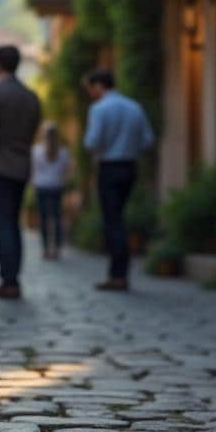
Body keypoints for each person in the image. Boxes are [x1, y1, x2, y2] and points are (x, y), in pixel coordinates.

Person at [0, 45, 42, 299]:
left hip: (0, 165)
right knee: (14, 222)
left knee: (2, 223)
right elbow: (34, 126)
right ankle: (14, 278)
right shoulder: (30, 96)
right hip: (22, 165)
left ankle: (8, 279)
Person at [82, 69, 155, 291]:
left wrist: (106, 148)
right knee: (119, 218)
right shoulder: (134, 107)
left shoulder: (99, 109)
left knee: (112, 220)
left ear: (98, 86)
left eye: (90, 89)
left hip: (109, 167)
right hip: (130, 166)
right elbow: (148, 140)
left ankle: (118, 275)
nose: (90, 94)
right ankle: (119, 272)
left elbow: (92, 142)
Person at [32, 122, 71, 259]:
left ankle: (45, 249)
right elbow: (66, 171)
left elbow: (33, 170)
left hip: (42, 187)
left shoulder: (36, 151)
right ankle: (57, 248)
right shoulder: (63, 152)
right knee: (57, 219)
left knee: (43, 219)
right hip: (56, 187)